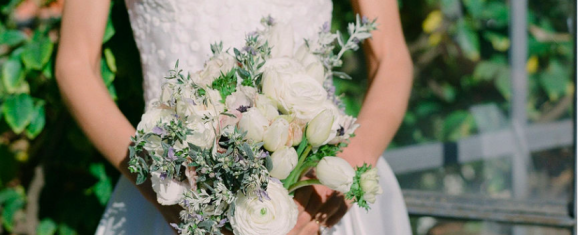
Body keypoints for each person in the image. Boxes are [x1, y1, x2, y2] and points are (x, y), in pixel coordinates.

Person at [55, 0, 413, 234]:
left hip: (320, 194)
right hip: (173, 193)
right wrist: (168, 196)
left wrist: (346, 171)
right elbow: (75, 64)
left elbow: (390, 56)